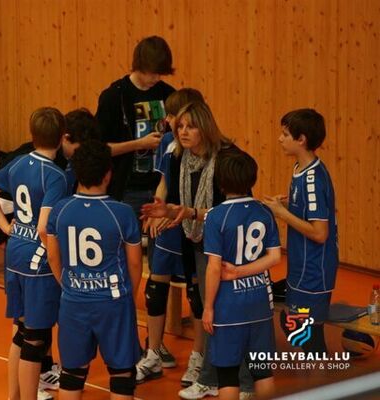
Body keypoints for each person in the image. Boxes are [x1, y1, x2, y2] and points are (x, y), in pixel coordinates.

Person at [140, 101, 255, 399]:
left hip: (226, 244)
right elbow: (180, 202)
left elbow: (235, 210)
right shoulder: (180, 157)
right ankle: (213, 376)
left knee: (222, 311)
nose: (183, 132)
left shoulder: (228, 158)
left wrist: (192, 212)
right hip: (195, 239)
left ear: (205, 127)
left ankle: (236, 380)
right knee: (207, 308)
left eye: (190, 126)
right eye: (180, 126)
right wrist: (169, 210)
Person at [0, 107, 68, 400]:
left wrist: (7, 227)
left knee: (20, 330)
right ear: (62, 137)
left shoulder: (18, 163)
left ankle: (13, 396)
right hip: (38, 260)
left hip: (15, 251)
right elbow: (44, 227)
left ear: (32, 134)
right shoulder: (56, 176)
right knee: (36, 337)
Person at [46, 139, 143, 400]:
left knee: (72, 374)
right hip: (113, 301)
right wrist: (127, 295)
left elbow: (53, 256)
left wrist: (69, 285)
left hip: (73, 302)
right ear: (108, 174)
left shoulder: (60, 210)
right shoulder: (122, 213)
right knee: (122, 373)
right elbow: (135, 263)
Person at [135, 88, 205, 383]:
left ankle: (199, 358)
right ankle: (153, 353)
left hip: (191, 225)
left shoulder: (206, 149)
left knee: (196, 293)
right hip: (167, 225)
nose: (173, 123)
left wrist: (177, 213)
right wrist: (157, 208)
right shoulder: (167, 143)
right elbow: (164, 182)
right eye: (174, 118)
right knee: (155, 287)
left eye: (178, 117)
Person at [201, 151, 281, 400]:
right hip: (260, 302)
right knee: (262, 372)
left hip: (228, 306)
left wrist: (208, 307)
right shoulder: (265, 212)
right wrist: (243, 271)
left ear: (220, 182)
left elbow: (214, 268)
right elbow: (275, 257)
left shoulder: (215, 216)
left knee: (227, 375)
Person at [263, 109, 338, 356]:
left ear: (301, 139)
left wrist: (281, 213)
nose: (280, 139)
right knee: (298, 329)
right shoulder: (299, 168)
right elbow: (306, 210)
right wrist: (284, 205)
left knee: (311, 340)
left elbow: (320, 233)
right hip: (299, 266)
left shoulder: (314, 179)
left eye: (285, 134)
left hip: (314, 270)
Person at [95, 35, 175, 205]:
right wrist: (139, 144)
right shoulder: (114, 96)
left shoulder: (168, 94)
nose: (157, 78)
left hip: (162, 188)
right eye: (153, 73)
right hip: (127, 190)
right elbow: (99, 150)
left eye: (160, 73)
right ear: (140, 65)